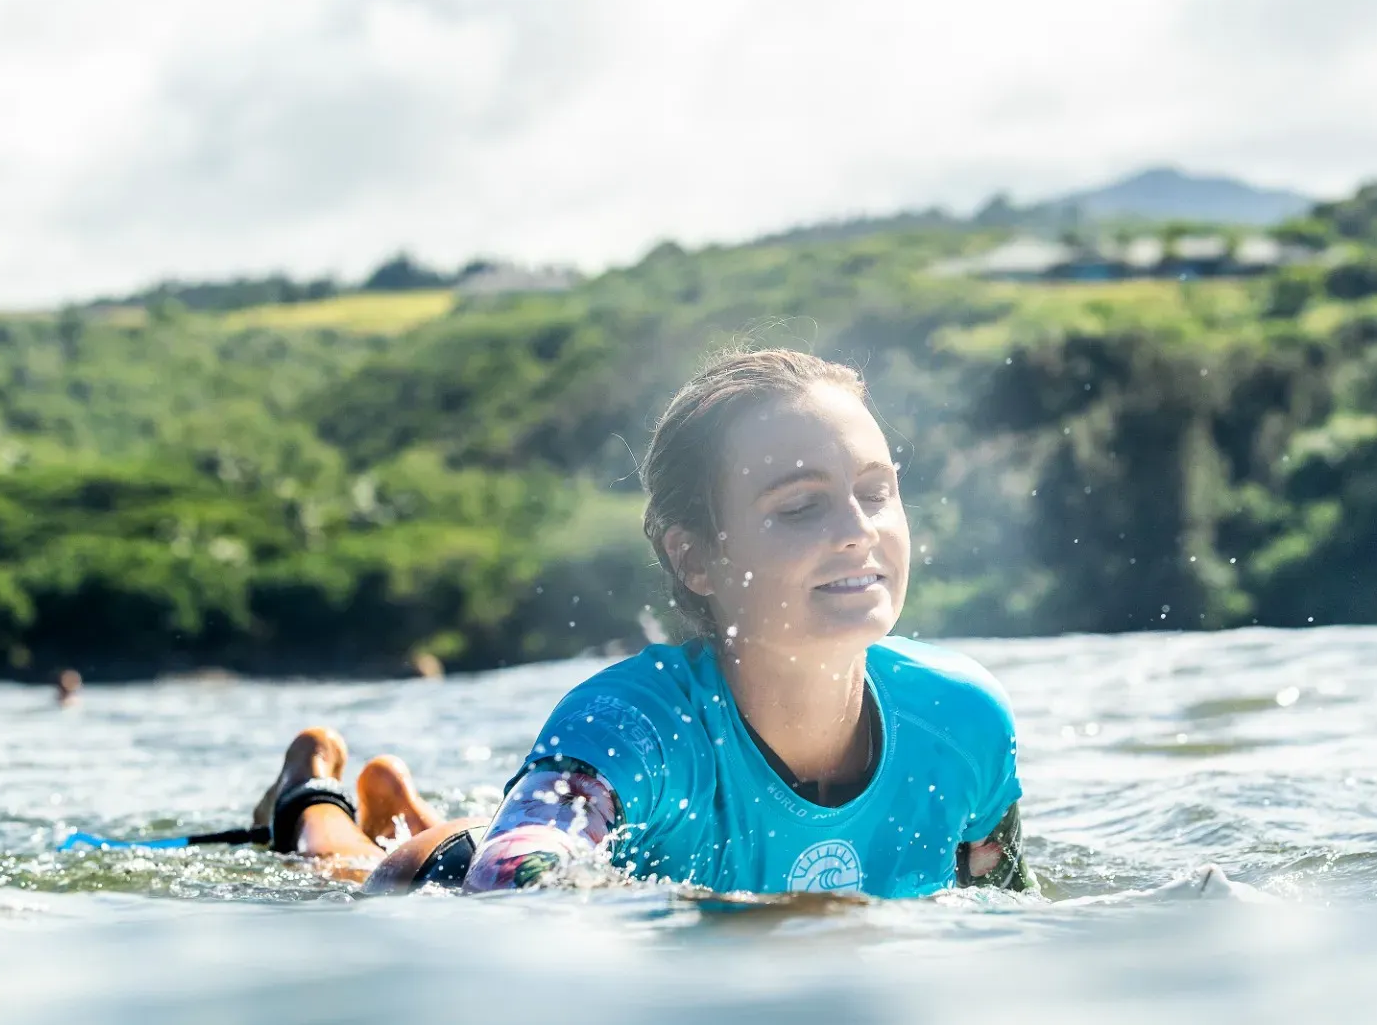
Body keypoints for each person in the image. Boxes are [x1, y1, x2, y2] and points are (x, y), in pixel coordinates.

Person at [255, 348, 1033, 899]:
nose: (859, 529)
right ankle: (314, 793)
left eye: (876, 490)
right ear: (697, 558)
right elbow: (504, 884)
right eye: (800, 505)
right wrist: (753, 928)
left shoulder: (963, 720)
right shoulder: (632, 727)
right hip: (437, 880)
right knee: (343, 876)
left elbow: (1008, 909)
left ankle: (397, 800)